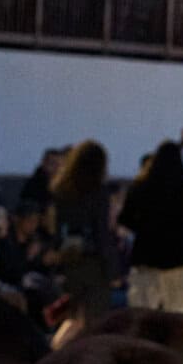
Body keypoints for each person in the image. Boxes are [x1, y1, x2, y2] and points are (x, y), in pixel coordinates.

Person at [118, 139, 183, 314]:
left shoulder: (140, 188)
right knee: (177, 312)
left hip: (146, 256)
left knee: (142, 313)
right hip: (177, 259)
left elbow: (125, 219)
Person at [48, 139, 116, 339]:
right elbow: (101, 232)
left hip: (71, 258)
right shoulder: (99, 193)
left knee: (74, 317)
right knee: (93, 323)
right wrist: (112, 268)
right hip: (93, 263)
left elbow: (59, 230)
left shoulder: (63, 190)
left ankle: (56, 353)